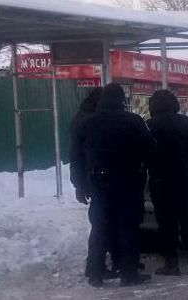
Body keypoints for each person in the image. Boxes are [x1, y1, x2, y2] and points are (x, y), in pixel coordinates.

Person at [70, 83, 155, 287]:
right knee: (128, 228)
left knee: (99, 227)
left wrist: (80, 185)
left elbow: (76, 157)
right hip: (129, 182)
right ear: (122, 99)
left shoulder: (87, 123)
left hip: (99, 183)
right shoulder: (134, 121)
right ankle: (128, 273)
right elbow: (150, 150)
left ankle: (96, 273)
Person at [147, 89, 188, 276]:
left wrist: (150, 169)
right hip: (185, 179)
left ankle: (171, 264)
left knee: (166, 223)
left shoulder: (149, 126)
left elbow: (142, 153)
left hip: (160, 181)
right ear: (175, 104)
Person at [70, 88, 120, 280]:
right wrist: (80, 185)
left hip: (94, 178)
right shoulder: (86, 121)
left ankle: (106, 264)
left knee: (104, 223)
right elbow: (76, 156)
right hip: (96, 179)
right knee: (102, 224)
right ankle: (96, 267)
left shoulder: (84, 117)